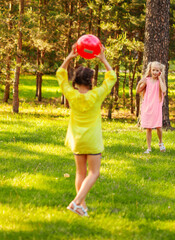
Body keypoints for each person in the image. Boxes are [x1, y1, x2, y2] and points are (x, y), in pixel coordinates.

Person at [56, 44, 116, 216]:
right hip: (92, 139)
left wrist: (69, 57)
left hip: (76, 139)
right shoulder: (96, 95)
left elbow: (60, 75)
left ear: (75, 81)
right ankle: (75, 202)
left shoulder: (71, 94)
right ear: (91, 81)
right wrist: (103, 59)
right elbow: (112, 78)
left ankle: (82, 207)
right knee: (94, 173)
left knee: (80, 172)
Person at [136, 61, 167, 154]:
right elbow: (138, 90)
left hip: (156, 107)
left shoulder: (160, 82)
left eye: (157, 70)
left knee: (158, 127)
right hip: (147, 107)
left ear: (160, 72)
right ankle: (149, 148)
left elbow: (164, 90)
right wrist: (140, 83)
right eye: (153, 70)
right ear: (150, 70)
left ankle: (160, 142)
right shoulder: (147, 80)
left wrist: (161, 78)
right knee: (148, 128)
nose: (154, 72)